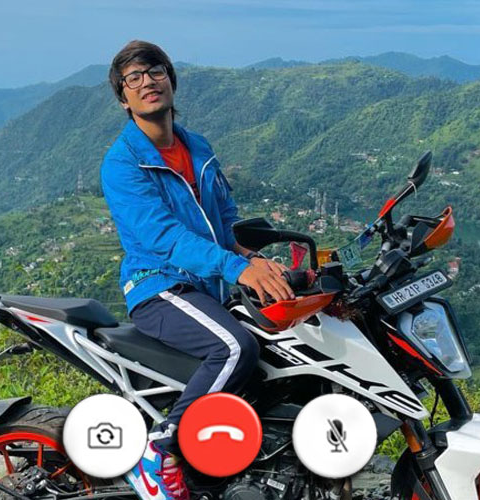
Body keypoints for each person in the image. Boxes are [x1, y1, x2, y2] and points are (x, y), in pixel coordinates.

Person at [100, 40, 295, 500]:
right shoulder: (122, 163)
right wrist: (236, 268)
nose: (147, 82)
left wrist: (251, 259)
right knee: (234, 348)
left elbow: (224, 219)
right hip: (159, 286)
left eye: (155, 71)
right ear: (123, 98)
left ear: (171, 79)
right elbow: (164, 237)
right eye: (133, 78)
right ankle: (159, 449)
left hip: (208, 286)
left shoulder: (197, 145)